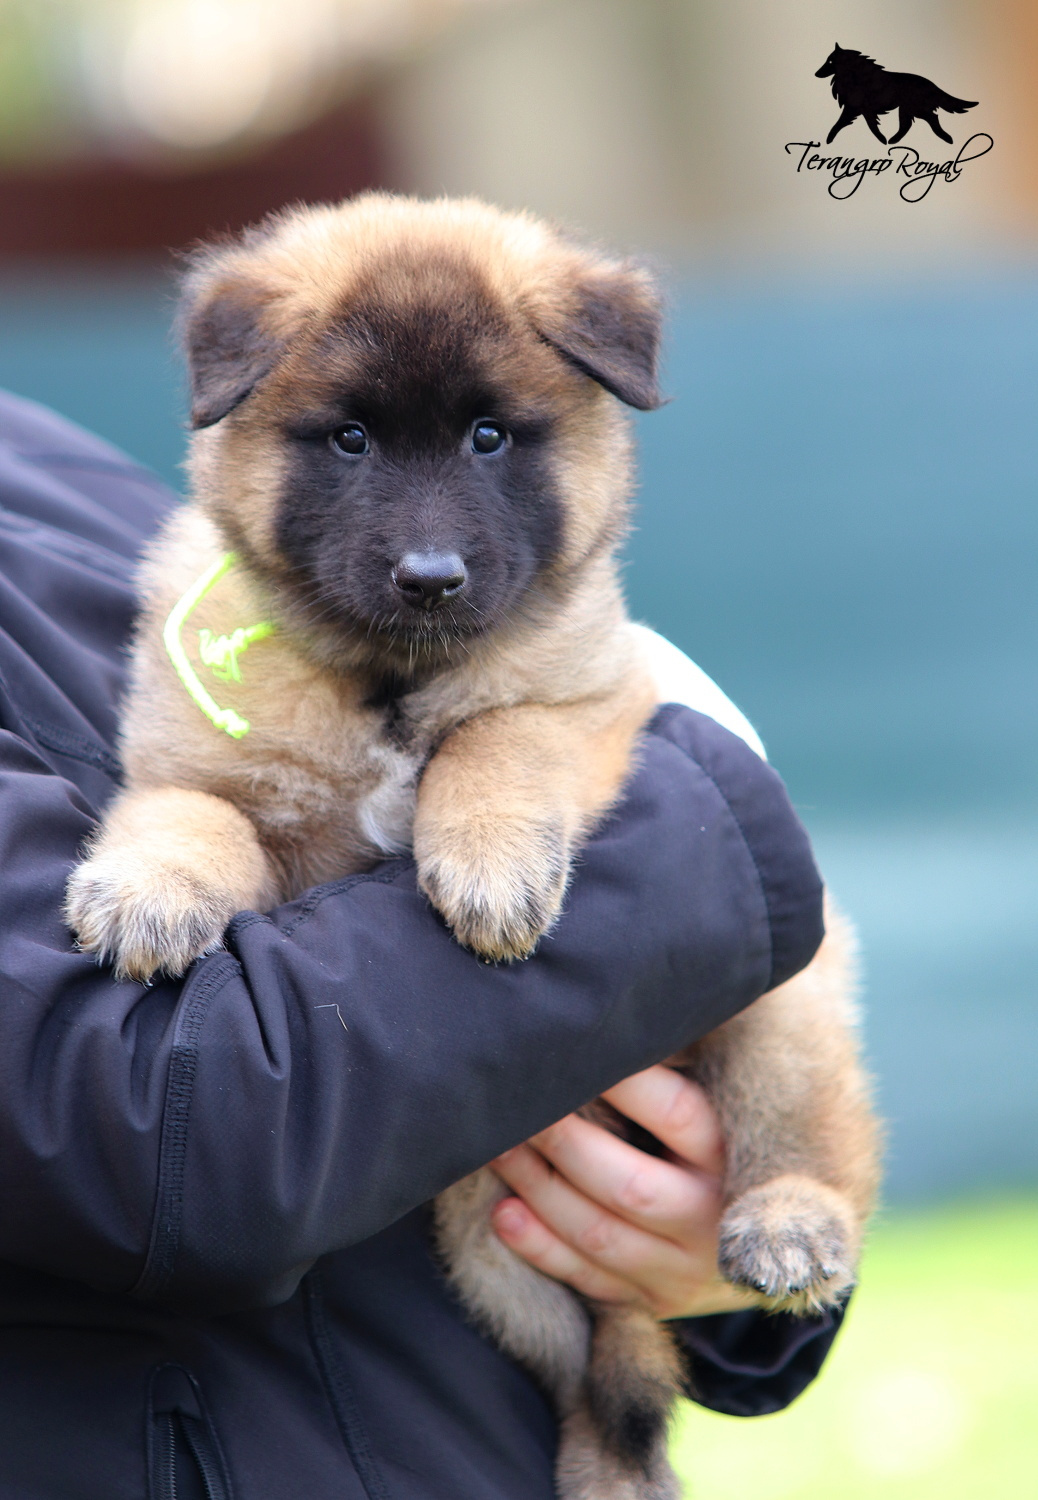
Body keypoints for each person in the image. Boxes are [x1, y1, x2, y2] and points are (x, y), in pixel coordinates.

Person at [0, 390, 841, 1498]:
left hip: (466, 1424)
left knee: (786, 1040)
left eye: (493, 437)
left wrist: (710, 1248)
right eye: (347, 440)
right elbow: (146, 1123)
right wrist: (695, 817)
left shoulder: (50, 456)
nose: (425, 534)